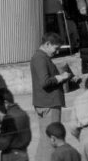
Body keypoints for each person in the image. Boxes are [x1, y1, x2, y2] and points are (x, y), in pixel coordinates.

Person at [30, 32, 77, 161]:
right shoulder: (40, 58)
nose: (56, 52)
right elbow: (45, 82)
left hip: (45, 102)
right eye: (55, 48)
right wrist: (60, 77)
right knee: (52, 140)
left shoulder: (41, 57)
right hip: (49, 103)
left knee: (46, 139)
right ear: (47, 44)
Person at [0, 87, 31, 161]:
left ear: (5, 103)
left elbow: (4, 143)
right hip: (23, 154)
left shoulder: (9, 118)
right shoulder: (23, 113)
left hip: (11, 156)